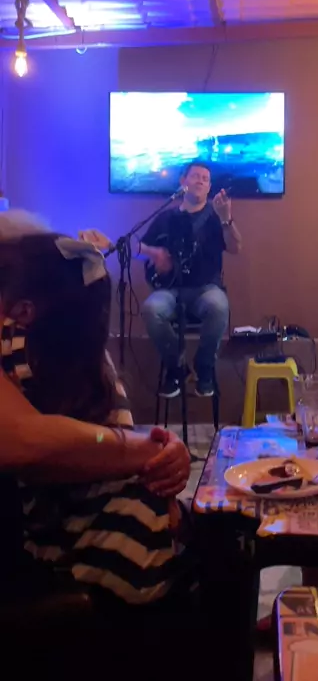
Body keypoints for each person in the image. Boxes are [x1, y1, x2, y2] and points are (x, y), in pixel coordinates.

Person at [0, 229, 192, 605]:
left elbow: (87, 446)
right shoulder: (44, 354)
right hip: (62, 567)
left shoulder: (60, 361)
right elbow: (28, 443)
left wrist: (150, 454)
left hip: (90, 550)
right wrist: (142, 449)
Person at [139, 162, 242, 398]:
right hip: (170, 290)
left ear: (209, 187)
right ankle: (177, 367)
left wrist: (226, 218)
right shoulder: (166, 217)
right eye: (195, 176)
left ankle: (204, 368)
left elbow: (236, 247)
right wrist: (155, 253)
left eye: (205, 179)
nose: (200, 181)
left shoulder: (215, 217)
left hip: (206, 289)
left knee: (219, 305)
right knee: (151, 308)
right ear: (182, 182)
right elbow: (138, 247)